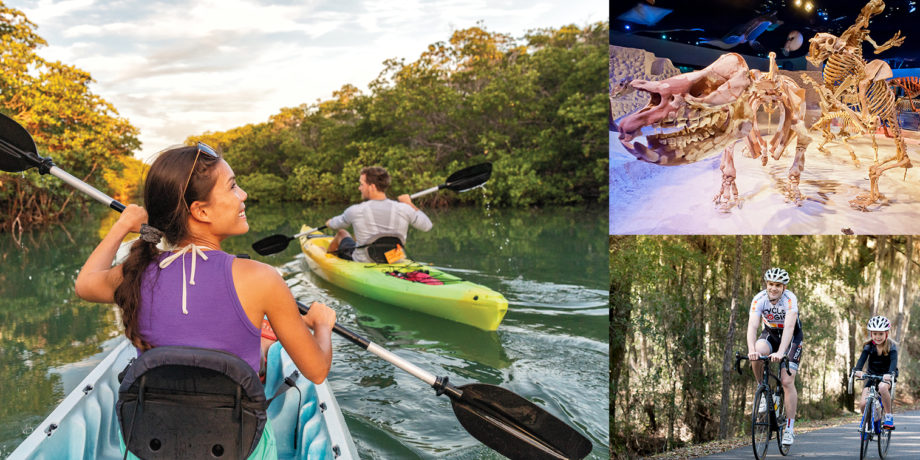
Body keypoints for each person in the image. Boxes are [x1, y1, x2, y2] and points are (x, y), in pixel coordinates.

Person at [74, 142, 336, 456]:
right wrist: (321, 325)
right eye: (233, 187)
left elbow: (85, 284)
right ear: (201, 211)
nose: (244, 195)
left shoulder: (136, 271)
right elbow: (317, 370)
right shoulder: (262, 278)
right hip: (236, 447)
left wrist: (123, 225)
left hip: (153, 445)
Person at [326, 166, 432, 262]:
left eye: (362, 184)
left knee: (342, 233)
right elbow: (427, 226)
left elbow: (334, 225)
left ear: (372, 187)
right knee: (357, 238)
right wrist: (409, 204)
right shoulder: (404, 208)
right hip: (394, 259)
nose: (359, 188)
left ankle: (326, 258)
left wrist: (329, 222)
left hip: (365, 261)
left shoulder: (356, 210)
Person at [746, 267, 802, 446]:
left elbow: (790, 328)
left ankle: (790, 428)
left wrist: (780, 353)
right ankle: (763, 390)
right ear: (766, 284)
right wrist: (751, 349)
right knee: (756, 354)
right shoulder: (759, 299)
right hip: (770, 334)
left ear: (784, 287)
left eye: (778, 285)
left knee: (786, 381)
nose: (773, 288)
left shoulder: (790, 300)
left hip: (791, 338)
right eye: (771, 284)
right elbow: (753, 327)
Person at [854, 315, 898, 430]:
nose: (877, 337)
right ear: (871, 334)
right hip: (871, 376)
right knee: (863, 405)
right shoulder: (869, 346)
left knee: (883, 388)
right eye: (875, 334)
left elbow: (893, 362)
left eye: (881, 334)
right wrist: (858, 370)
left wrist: (890, 374)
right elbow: (862, 359)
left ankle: (888, 417)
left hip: (886, 376)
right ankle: (871, 422)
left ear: (886, 333)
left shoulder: (891, 347)